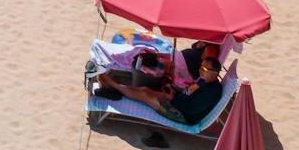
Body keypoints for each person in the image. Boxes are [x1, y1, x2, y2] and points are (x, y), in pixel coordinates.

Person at [94, 53, 225, 127]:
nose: (200, 71)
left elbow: (192, 109)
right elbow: (187, 93)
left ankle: (112, 84)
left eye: (205, 69)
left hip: (184, 116)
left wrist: (173, 98)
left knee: (145, 95)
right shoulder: (204, 81)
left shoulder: (212, 91)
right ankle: (113, 86)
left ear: (215, 73)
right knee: (145, 89)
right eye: (201, 67)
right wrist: (174, 91)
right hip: (179, 103)